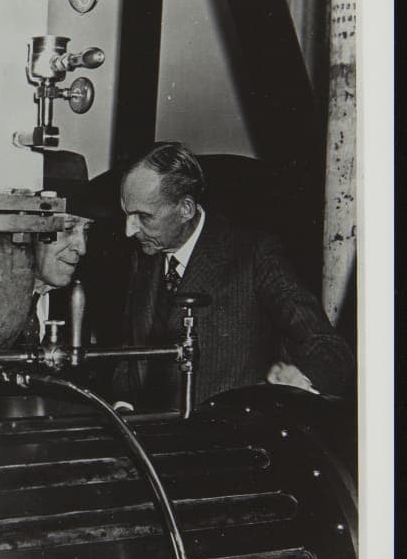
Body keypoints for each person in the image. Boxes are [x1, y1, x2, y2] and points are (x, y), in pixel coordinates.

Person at [112, 141, 354, 410]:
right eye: (126, 214)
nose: (128, 230)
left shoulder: (253, 254)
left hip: (228, 439)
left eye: (142, 217)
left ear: (185, 209)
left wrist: (303, 381)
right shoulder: (144, 257)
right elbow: (131, 359)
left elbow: (329, 348)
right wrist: (124, 407)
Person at [24, 150, 111, 344]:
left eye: (87, 229)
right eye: (69, 227)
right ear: (28, 228)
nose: (82, 248)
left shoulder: (80, 305)